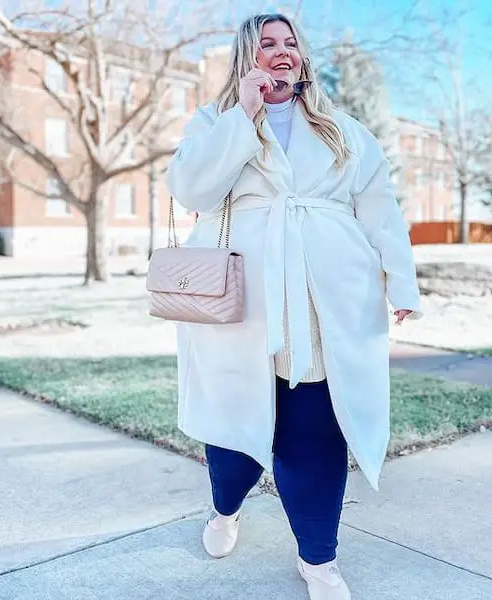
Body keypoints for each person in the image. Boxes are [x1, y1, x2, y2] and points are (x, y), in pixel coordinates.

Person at [166, 12, 422, 600]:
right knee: (233, 426)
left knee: (314, 429)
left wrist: (400, 284)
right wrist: (246, 112)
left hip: (324, 302)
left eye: (290, 44)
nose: (281, 52)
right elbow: (192, 190)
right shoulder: (214, 121)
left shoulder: (341, 128)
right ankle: (224, 509)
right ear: (246, 56)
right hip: (242, 301)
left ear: (302, 56)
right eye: (267, 44)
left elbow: (381, 207)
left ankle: (318, 559)